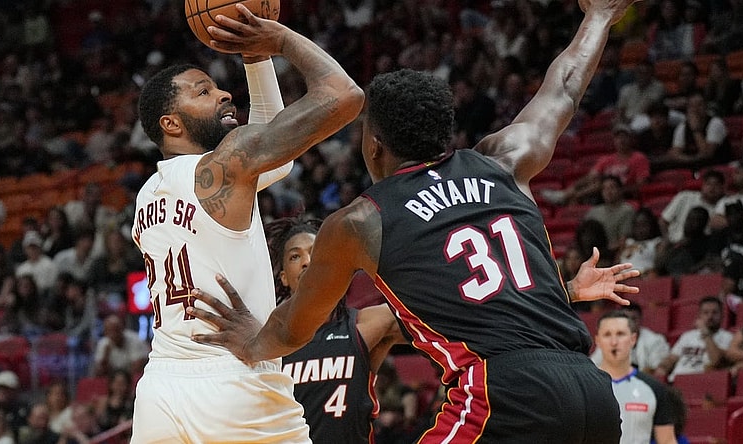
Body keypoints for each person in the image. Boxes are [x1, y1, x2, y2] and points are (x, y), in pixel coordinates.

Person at [189, 0, 643, 441]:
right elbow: (563, 89)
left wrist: (249, 342)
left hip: (501, 394)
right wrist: (600, 14)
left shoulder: (361, 220)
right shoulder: (504, 162)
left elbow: (293, 328)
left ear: (374, 146)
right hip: (592, 392)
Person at [129, 4, 364, 443]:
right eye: (202, 92)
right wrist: (277, 40)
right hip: (233, 380)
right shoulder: (220, 172)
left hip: (160, 389)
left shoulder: (149, 194)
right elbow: (344, 94)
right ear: (171, 123)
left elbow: (275, 162)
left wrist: (254, 60)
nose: (223, 95)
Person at [265, 216, 405, 444]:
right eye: (295, 256)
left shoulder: (363, 326)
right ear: (284, 278)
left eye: (314, 251)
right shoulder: (269, 343)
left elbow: (433, 317)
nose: (306, 261)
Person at [595, 310, 678, 444]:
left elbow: (667, 440)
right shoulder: (583, 387)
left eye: (620, 334)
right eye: (607, 335)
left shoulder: (654, 388)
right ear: (597, 340)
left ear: (633, 339)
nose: (614, 342)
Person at [654, 296, 733, 382]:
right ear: (699, 315)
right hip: (675, 381)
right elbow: (673, 358)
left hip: (701, 382)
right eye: (706, 313)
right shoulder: (688, 336)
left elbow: (716, 361)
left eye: (714, 313)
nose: (710, 316)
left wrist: (705, 333)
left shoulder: (728, 337)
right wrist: (662, 367)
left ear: (722, 315)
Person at [590, 302, 670, 374]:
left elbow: (658, 370)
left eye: (633, 319)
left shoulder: (655, 340)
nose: (629, 323)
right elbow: (593, 365)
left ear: (641, 320)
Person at [659, 169, 726, 245]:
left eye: (716, 185)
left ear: (722, 188)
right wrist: (666, 240)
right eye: (708, 184)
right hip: (674, 242)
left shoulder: (722, 207)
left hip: (698, 247)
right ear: (702, 185)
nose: (712, 188)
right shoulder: (685, 196)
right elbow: (663, 221)